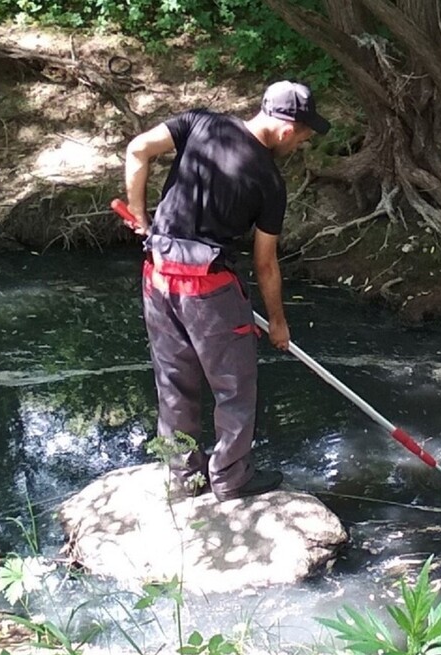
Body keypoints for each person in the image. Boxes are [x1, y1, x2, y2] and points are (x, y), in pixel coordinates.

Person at [121, 81, 331, 502]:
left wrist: (140, 213)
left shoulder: (201, 121)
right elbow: (265, 263)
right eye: (304, 138)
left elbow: (138, 149)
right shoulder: (269, 182)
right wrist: (278, 323)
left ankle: (183, 480)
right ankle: (230, 478)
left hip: (157, 274)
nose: (301, 145)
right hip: (209, 290)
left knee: (174, 382)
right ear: (288, 130)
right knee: (234, 386)